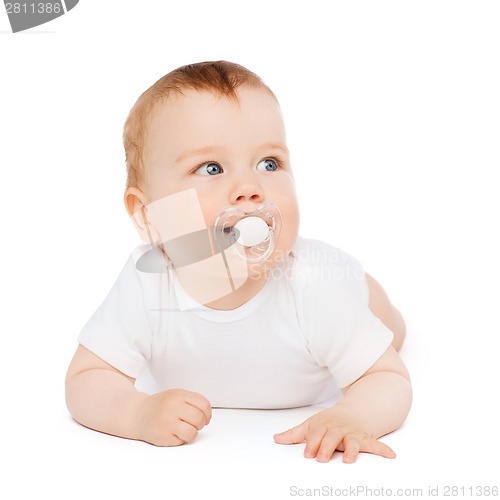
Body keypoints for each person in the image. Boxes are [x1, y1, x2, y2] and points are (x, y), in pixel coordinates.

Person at [65, 61, 412, 463]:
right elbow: (85, 379)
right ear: (148, 215)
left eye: (270, 163)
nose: (250, 188)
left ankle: (378, 303)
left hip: (349, 291)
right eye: (211, 168)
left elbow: (388, 378)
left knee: (389, 326)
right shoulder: (147, 284)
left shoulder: (315, 285)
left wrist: (353, 414)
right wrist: (137, 412)